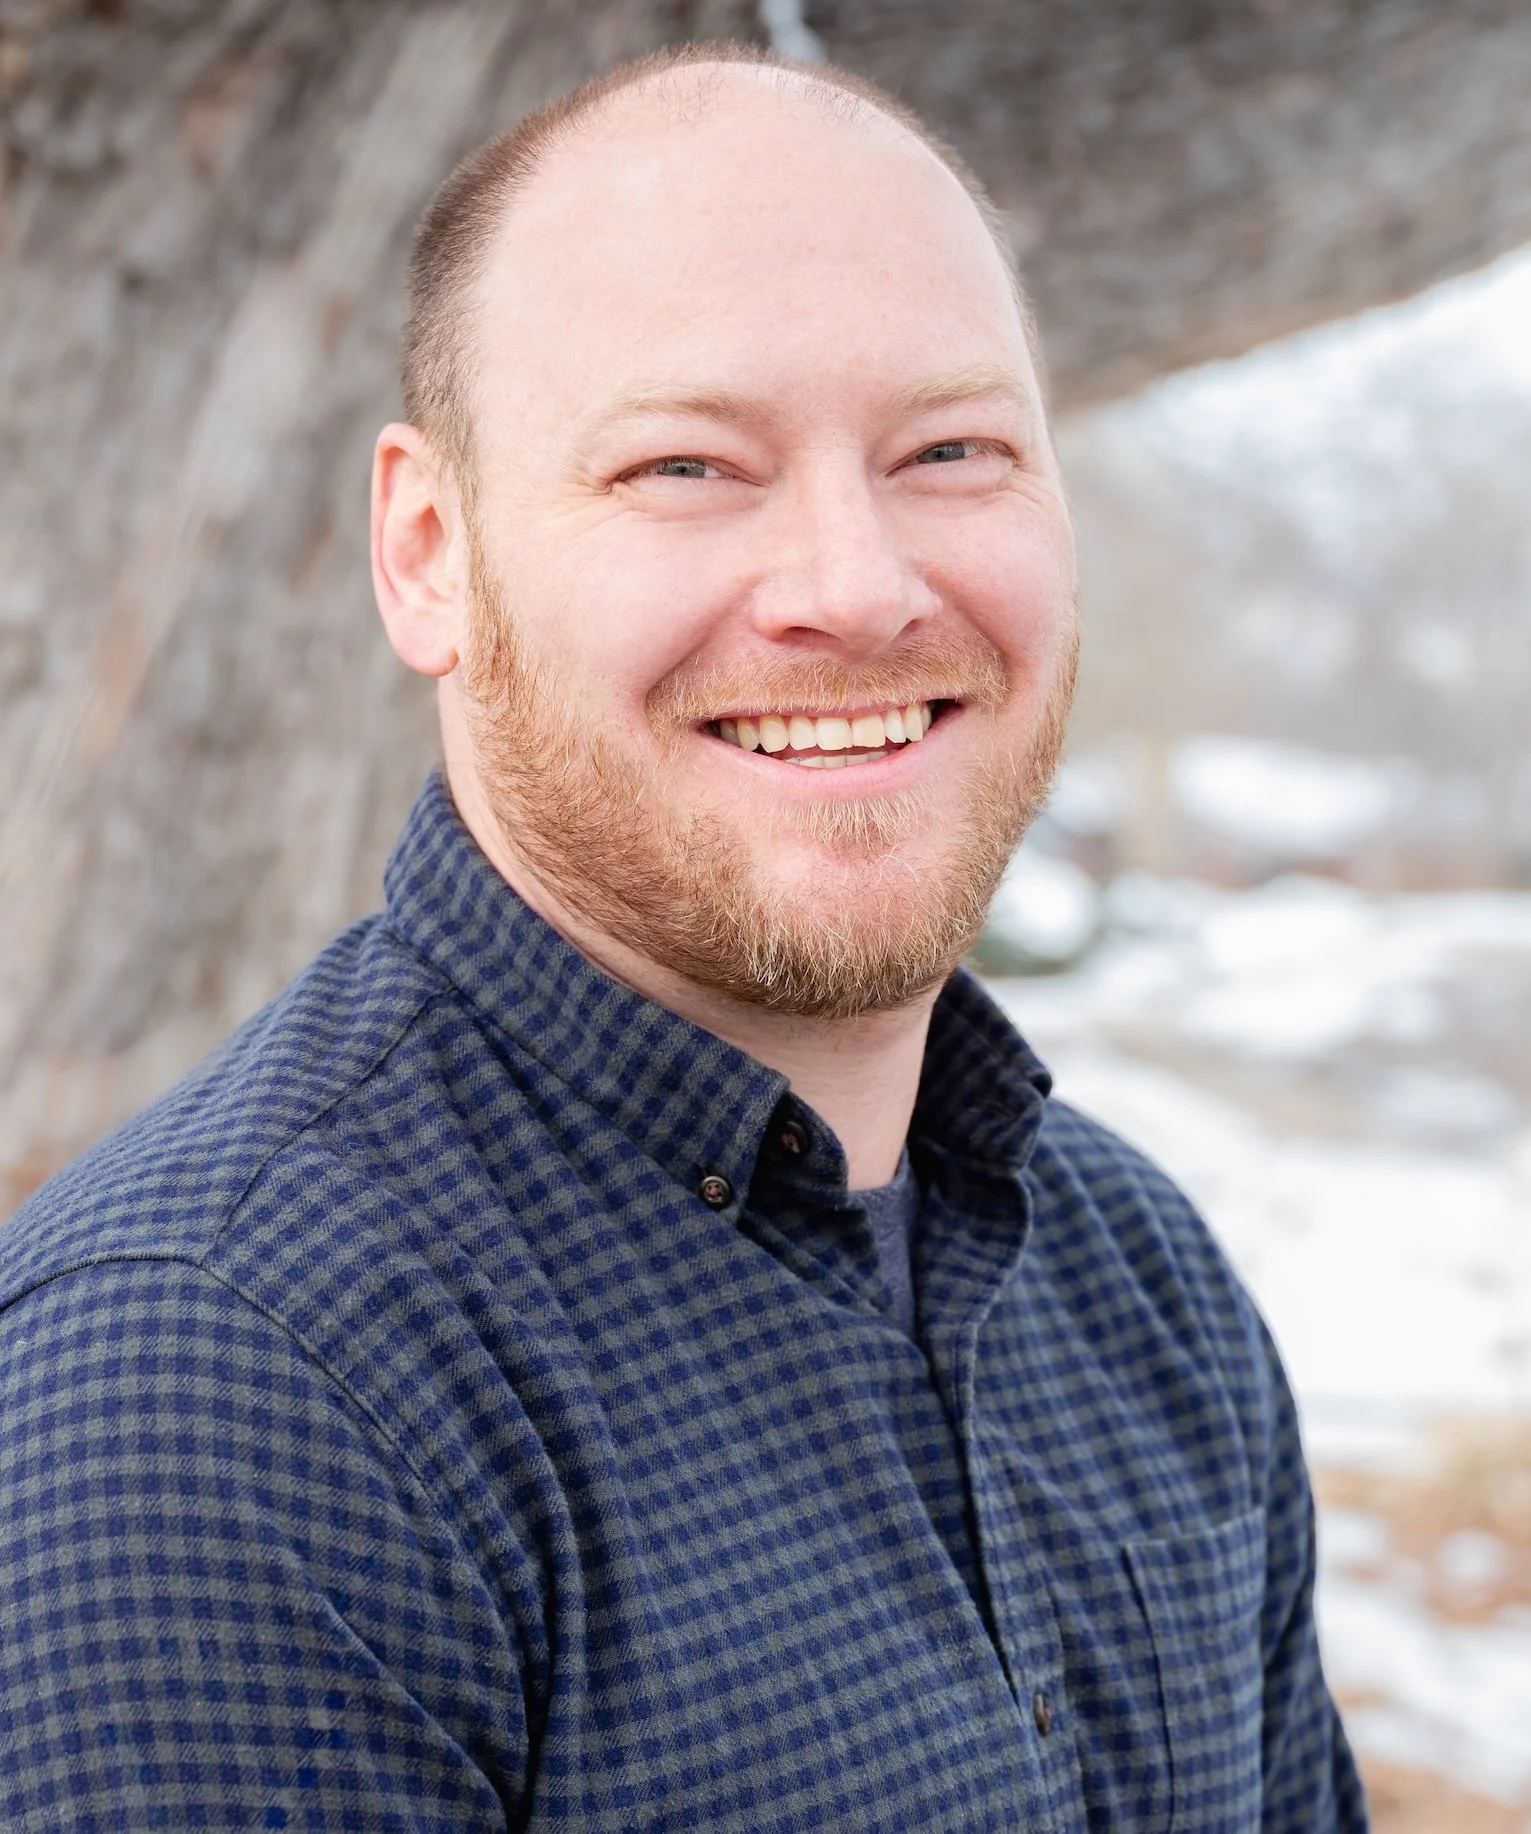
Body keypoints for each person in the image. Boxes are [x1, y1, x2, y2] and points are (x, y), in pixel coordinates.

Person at [0, 41, 1366, 1833]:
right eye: (687, 466)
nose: (856, 584)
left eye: (949, 448)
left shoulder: (1143, 1286)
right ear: (429, 552)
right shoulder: (219, 1394)